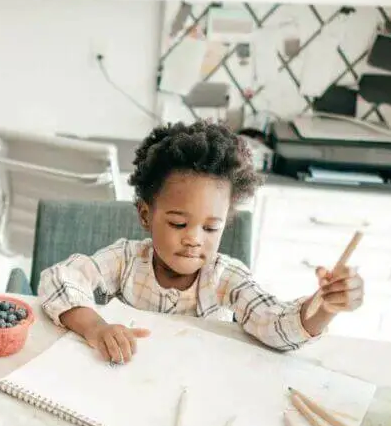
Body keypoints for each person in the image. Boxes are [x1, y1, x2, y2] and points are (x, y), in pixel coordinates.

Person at [36, 121, 365, 363]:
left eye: (210, 228)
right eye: (179, 223)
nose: (193, 239)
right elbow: (59, 279)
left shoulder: (225, 278)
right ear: (146, 215)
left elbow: (276, 327)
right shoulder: (125, 260)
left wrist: (324, 308)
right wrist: (96, 327)